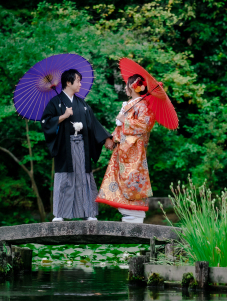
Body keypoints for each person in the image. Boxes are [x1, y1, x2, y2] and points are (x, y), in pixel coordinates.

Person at [41, 69, 114, 222]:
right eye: (78, 81)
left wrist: (106, 139)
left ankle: (88, 212)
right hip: (64, 147)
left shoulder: (82, 104)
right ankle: (60, 213)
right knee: (65, 177)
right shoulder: (55, 103)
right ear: (68, 82)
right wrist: (63, 116)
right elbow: (46, 123)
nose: (80, 84)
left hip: (82, 145)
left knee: (84, 177)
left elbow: (93, 124)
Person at [96, 74, 156, 223]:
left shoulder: (143, 105)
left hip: (134, 150)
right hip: (123, 148)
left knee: (132, 178)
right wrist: (113, 138)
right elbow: (120, 127)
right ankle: (128, 213)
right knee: (119, 178)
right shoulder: (131, 104)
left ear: (133, 86)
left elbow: (145, 125)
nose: (125, 87)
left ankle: (135, 215)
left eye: (127, 84)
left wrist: (125, 120)